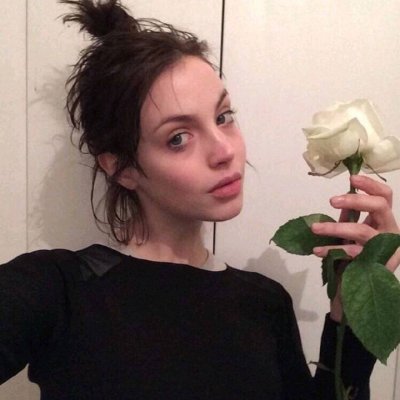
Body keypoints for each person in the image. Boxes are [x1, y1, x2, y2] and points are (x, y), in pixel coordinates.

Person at [0, 0, 399, 399]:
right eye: (178, 138)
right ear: (122, 168)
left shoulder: (264, 302)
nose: (224, 150)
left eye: (223, 117)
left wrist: (352, 312)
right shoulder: (56, 289)